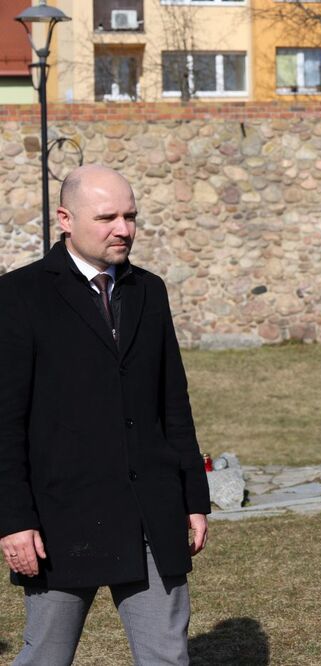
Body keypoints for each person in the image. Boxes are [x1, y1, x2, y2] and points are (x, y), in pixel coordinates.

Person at [0, 165, 210, 665]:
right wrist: (14, 521)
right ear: (65, 219)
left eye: (130, 216)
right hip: (61, 520)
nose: (123, 229)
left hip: (150, 513)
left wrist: (192, 497)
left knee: (167, 657)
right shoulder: (18, 296)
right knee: (46, 657)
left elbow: (172, 401)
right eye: (107, 217)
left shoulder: (149, 291)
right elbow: (5, 422)